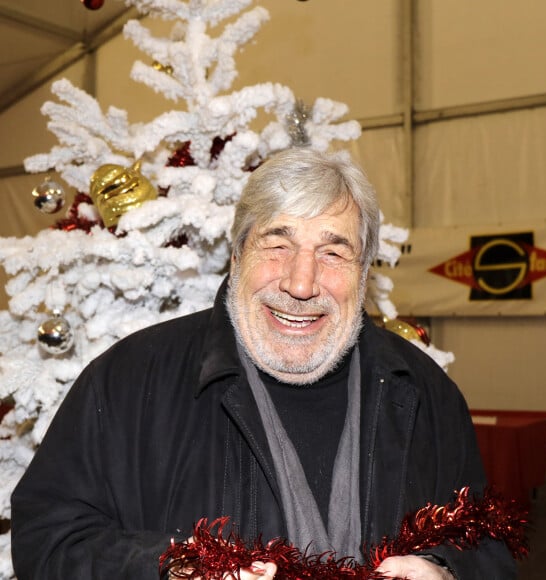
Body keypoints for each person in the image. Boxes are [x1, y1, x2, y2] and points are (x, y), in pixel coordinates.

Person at [11, 148, 517, 579]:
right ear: (237, 258)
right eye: (277, 245)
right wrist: (169, 568)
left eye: (333, 254)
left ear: (364, 273)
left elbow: (489, 541)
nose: (301, 283)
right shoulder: (128, 380)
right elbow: (47, 538)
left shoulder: (423, 393)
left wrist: (446, 568)